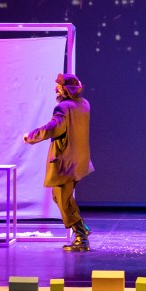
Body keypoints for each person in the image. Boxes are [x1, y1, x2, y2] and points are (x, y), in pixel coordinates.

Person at [23, 73, 95, 251]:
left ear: (66, 89)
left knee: (63, 199)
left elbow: (54, 128)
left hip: (65, 162)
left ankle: (81, 238)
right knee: (61, 197)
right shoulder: (84, 104)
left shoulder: (63, 107)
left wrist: (31, 136)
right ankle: (82, 227)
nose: (56, 89)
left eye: (59, 86)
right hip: (78, 160)